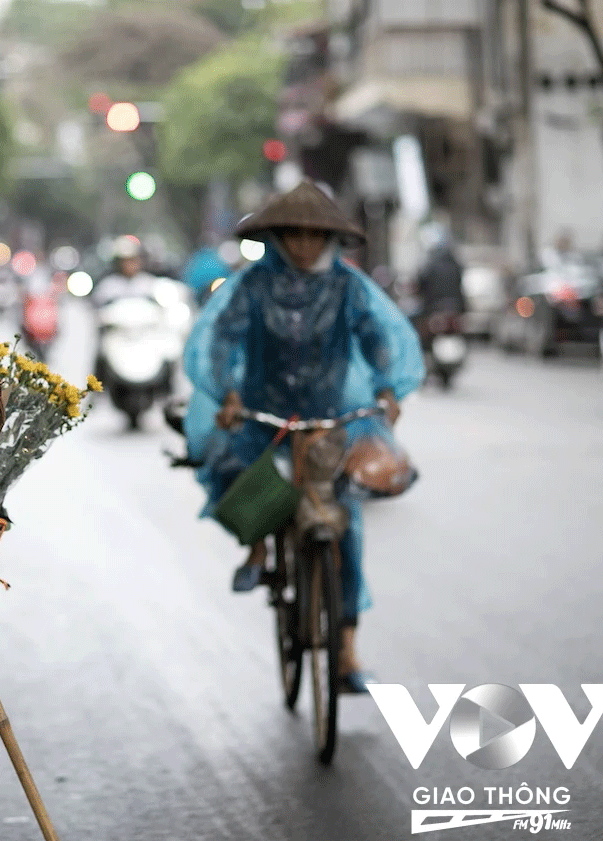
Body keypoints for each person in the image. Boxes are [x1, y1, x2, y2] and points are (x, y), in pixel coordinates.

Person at [181, 180, 424, 693]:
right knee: (237, 473)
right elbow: (222, 339)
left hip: (330, 416)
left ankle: (347, 652)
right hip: (261, 412)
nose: (306, 245)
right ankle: (258, 548)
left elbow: (377, 337)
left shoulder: (348, 286)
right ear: (279, 237)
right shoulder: (252, 286)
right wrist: (225, 392)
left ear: (329, 238)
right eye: (295, 234)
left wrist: (386, 386)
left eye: (316, 235)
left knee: (346, 526)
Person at [89, 235, 158, 307]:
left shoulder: (149, 283)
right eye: (125, 261)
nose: (130, 265)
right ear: (119, 262)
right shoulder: (108, 285)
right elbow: (97, 305)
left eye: (133, 260)